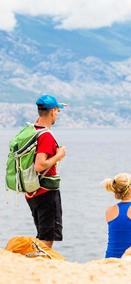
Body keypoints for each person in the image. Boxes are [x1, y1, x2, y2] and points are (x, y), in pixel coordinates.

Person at [26, 95, 67, 248]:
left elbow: (41, 118)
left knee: (42, 230)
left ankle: (37, 261)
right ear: (51, 112)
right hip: (46, 191)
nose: (57, 114)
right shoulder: (46, 136)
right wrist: (59, 155)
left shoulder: (32, 129)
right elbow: (40, 165)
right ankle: (39, 265)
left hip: (33, 191)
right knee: (47, 235)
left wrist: (54, 107)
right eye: (56, 111)